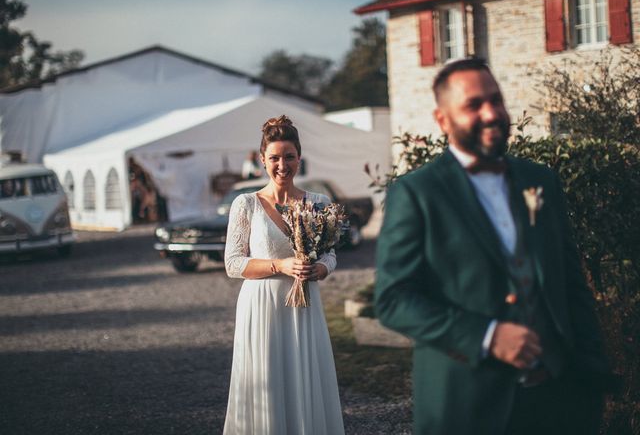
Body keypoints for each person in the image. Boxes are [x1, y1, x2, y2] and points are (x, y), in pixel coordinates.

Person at [375, 58, 613, 435]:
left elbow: (570, 284)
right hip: (468, 404)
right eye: (473, 105)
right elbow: (393, 300)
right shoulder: (418, 193)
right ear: (443, 120)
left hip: (558, 399)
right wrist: (486, 336)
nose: (491, 113)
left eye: (496, 100)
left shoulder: (540, 181)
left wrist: (592, 376)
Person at [223, 115, 345, 435]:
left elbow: (330, 253)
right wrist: (281, 265)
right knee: (267, 381)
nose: (282, 165)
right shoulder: (246, 204)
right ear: (262, 160)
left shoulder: (318, 203)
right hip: (262, 306)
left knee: (303, 377)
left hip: (304, 308)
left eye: (289, 157)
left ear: (299, 159)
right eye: (274, 158)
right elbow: (234, 264)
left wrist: (320, 268)